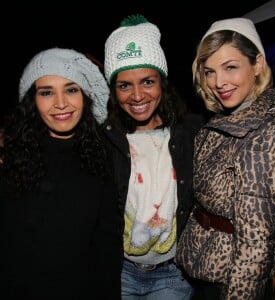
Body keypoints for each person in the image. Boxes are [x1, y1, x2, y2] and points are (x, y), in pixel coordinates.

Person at [175, 17, 275, 299]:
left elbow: (254, 244)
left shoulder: (269, 135)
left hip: (232, 282)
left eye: (230, 67)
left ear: (257, 64)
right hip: (205, 273)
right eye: (209, 71)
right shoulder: (228, 118)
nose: (218, 82)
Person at [0, 48, 122, 299]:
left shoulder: (101, 156)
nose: (61, 103)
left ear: (85, 96)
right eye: (46, 92)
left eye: (71, 89)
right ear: (32, 100)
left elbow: (106, 248)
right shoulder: (9, 156)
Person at [102, 14, 205, 299]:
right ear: (114, 90)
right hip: (119, 272)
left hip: (174, 274)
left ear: (162, 82)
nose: (137, 96)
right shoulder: (104, 138)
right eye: (124, 85)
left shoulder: (192, 132)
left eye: (147, 81)